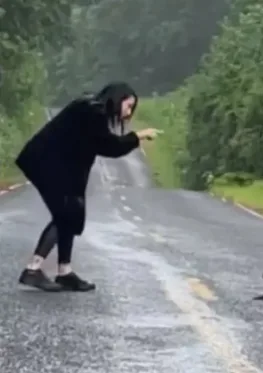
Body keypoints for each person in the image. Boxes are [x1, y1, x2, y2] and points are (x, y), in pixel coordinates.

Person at [15, 82, 162, 292]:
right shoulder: (92, 111)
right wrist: (138, 136)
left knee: (71, 213)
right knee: (64, 215)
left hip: (58, 165)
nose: (129, 113)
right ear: (118, 99)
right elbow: (109, 146)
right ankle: (32, 270)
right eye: (129, 106)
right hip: (44, 162)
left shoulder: (91, 109)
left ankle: (64, 272)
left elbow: (89, 147)